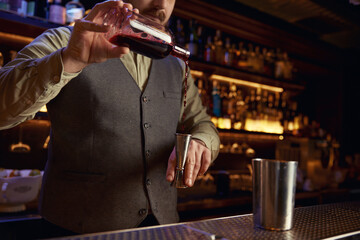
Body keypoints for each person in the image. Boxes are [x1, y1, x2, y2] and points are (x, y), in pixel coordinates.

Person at [0, 0, 220, 235]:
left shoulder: (176, 66)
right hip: (77, 229)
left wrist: (201, 141)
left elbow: (203, 125)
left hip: (162, 228)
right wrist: (71, 58)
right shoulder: (64, 40)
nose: (160, 4)